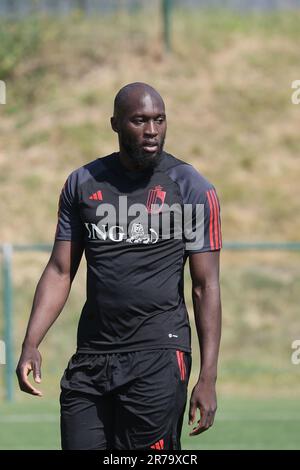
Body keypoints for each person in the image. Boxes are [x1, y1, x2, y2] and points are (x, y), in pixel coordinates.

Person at [16, 82, 222, 450]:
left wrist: (208, 377)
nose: (152, 131)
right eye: (139, 121)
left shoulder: (192, 187)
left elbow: (206, 286)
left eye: (159, 120)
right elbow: (61, 271)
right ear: (115, 124)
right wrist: (31, 343)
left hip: (159, 355)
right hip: (92, 357)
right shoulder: (83, 183)